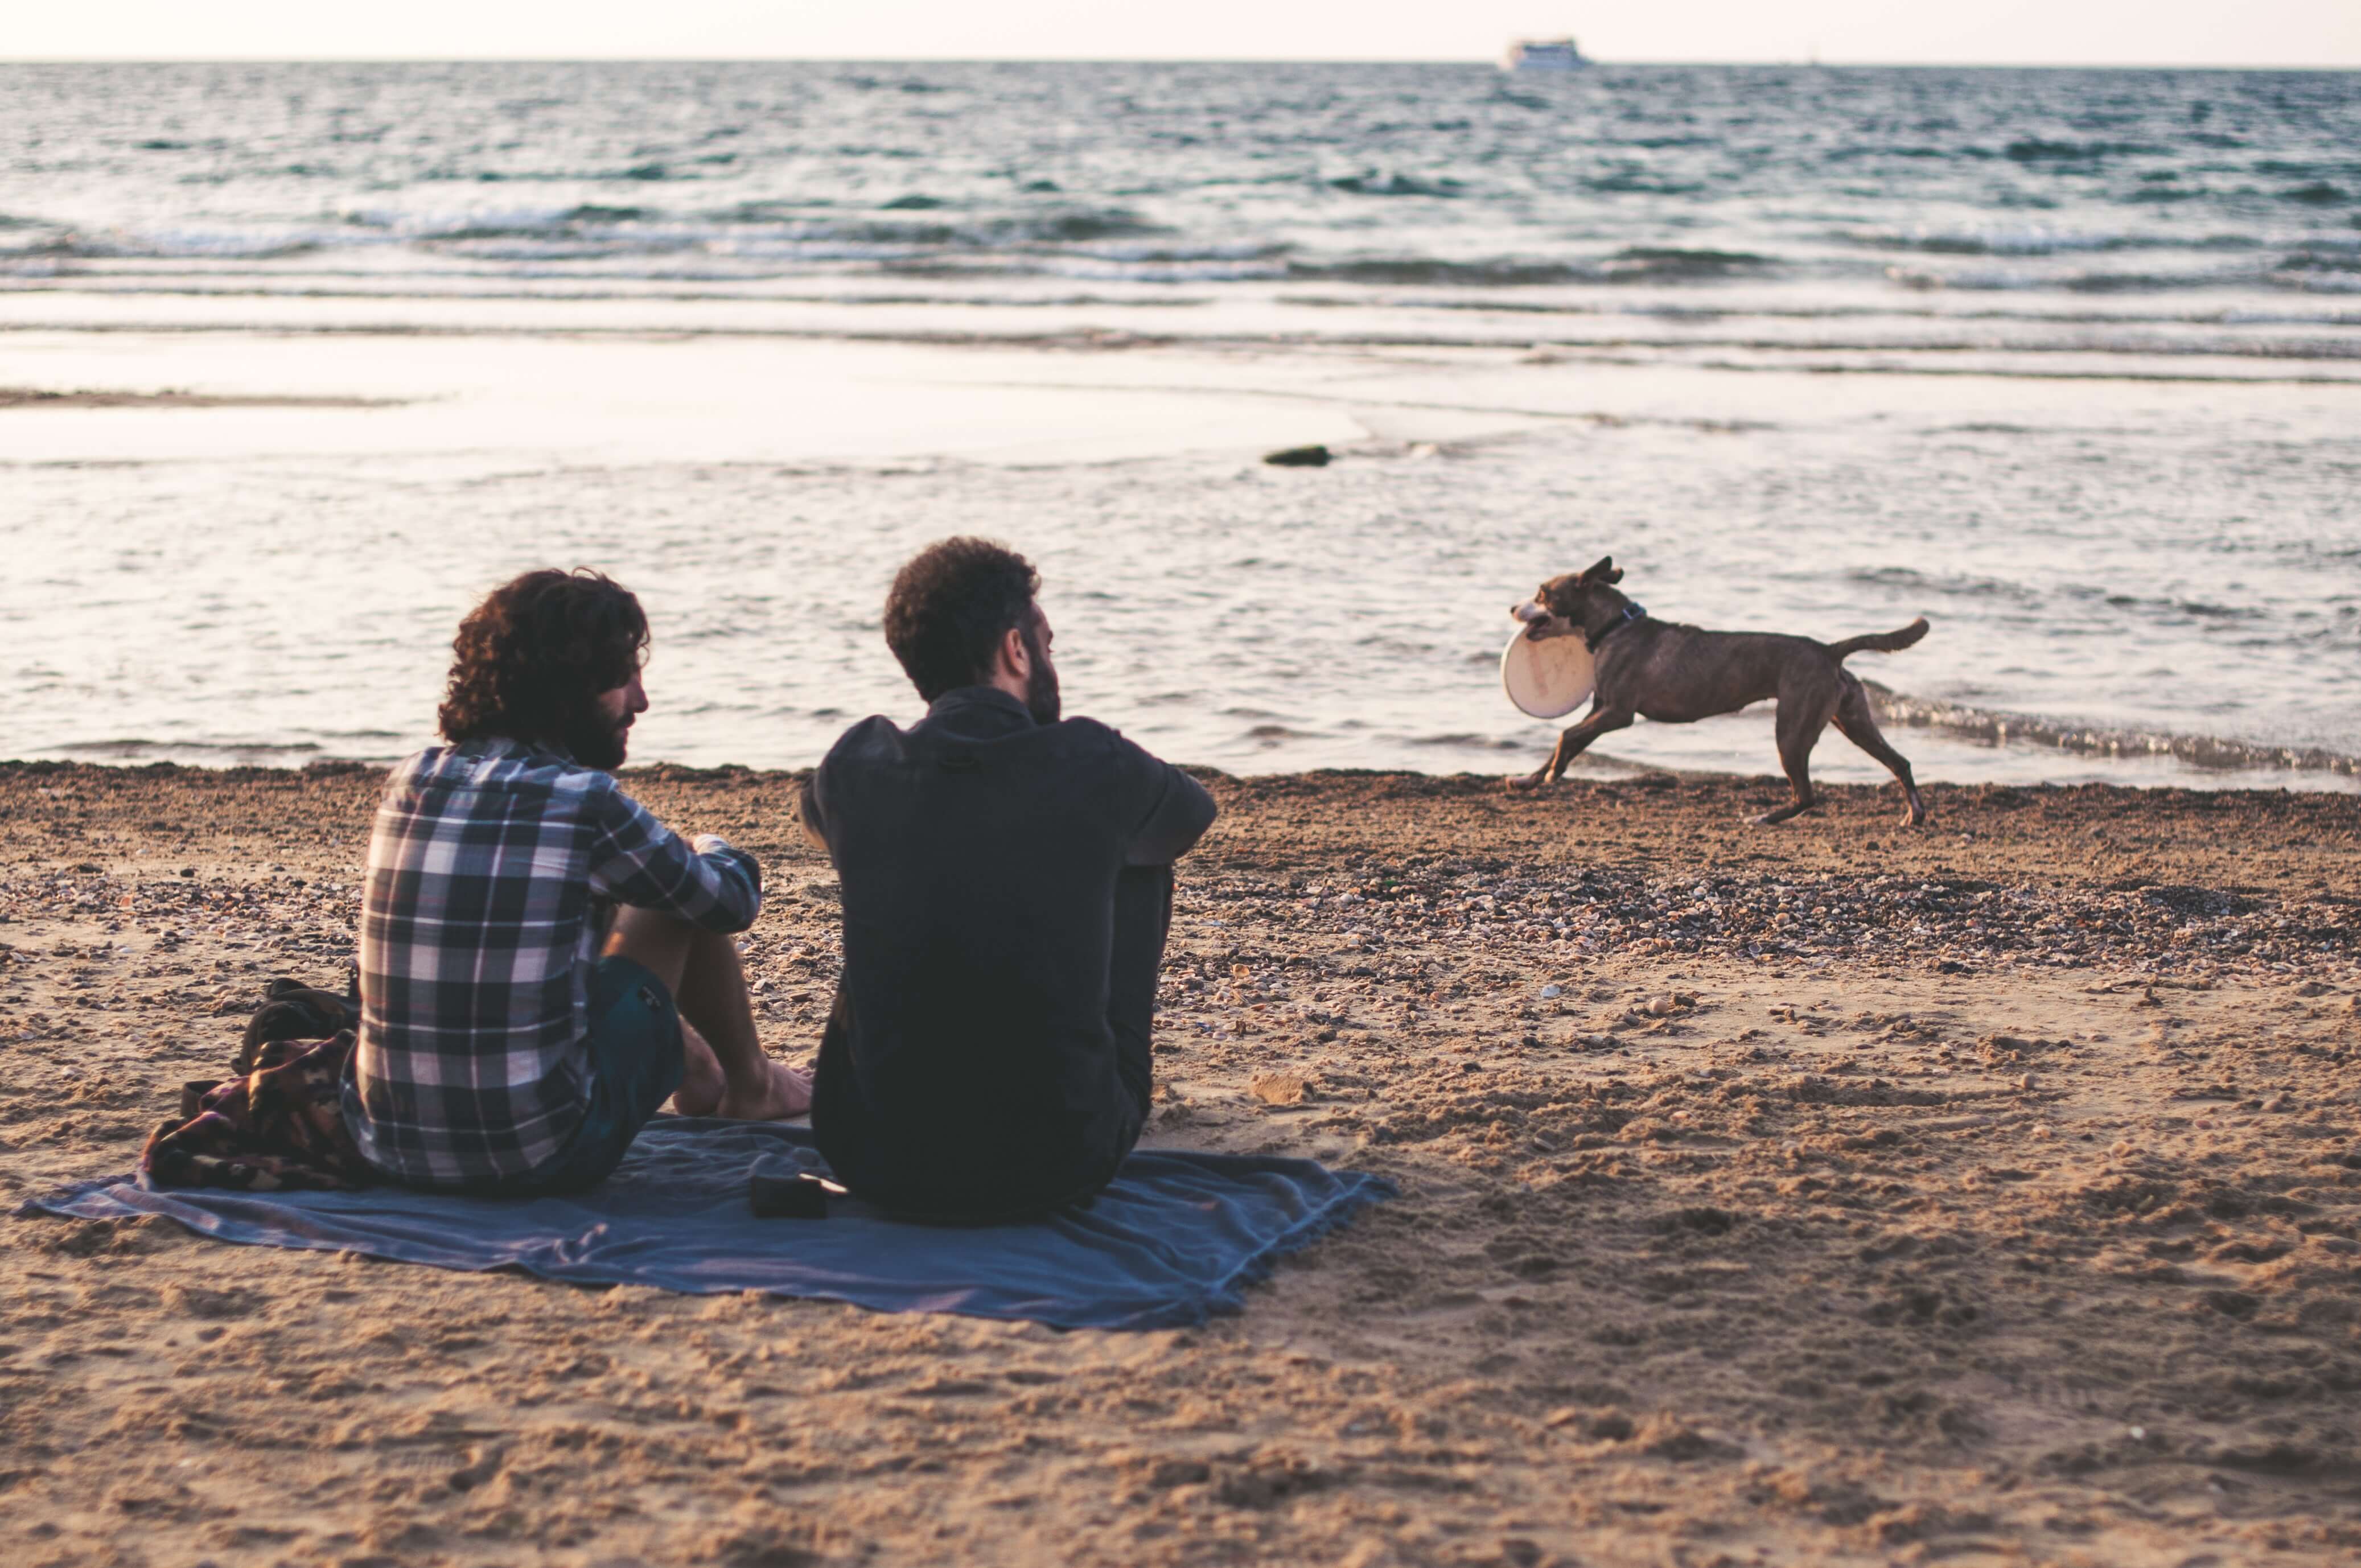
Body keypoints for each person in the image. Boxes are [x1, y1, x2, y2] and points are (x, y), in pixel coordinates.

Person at [342, 568, 807, 1194]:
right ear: (568, 689)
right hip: (541, 1156)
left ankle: (701, 1073)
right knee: (673, 895)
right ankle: (752, 1084)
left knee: (574, 906)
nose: (640, 702)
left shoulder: (410, 779)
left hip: (386, 1145)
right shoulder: (581, 799)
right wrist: (710, 846)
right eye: (622, 680)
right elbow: (727, 902)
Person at [800, 538, 1217, 1220]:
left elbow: (821, 822)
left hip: (870, 1153)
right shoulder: (1090, 760)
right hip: (1055, 1160)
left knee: (891, 859)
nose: (1051, 662)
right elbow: (1190, 816)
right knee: (1139, 856)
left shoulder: (856, 763)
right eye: (1046, 644)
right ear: (1016, 651)